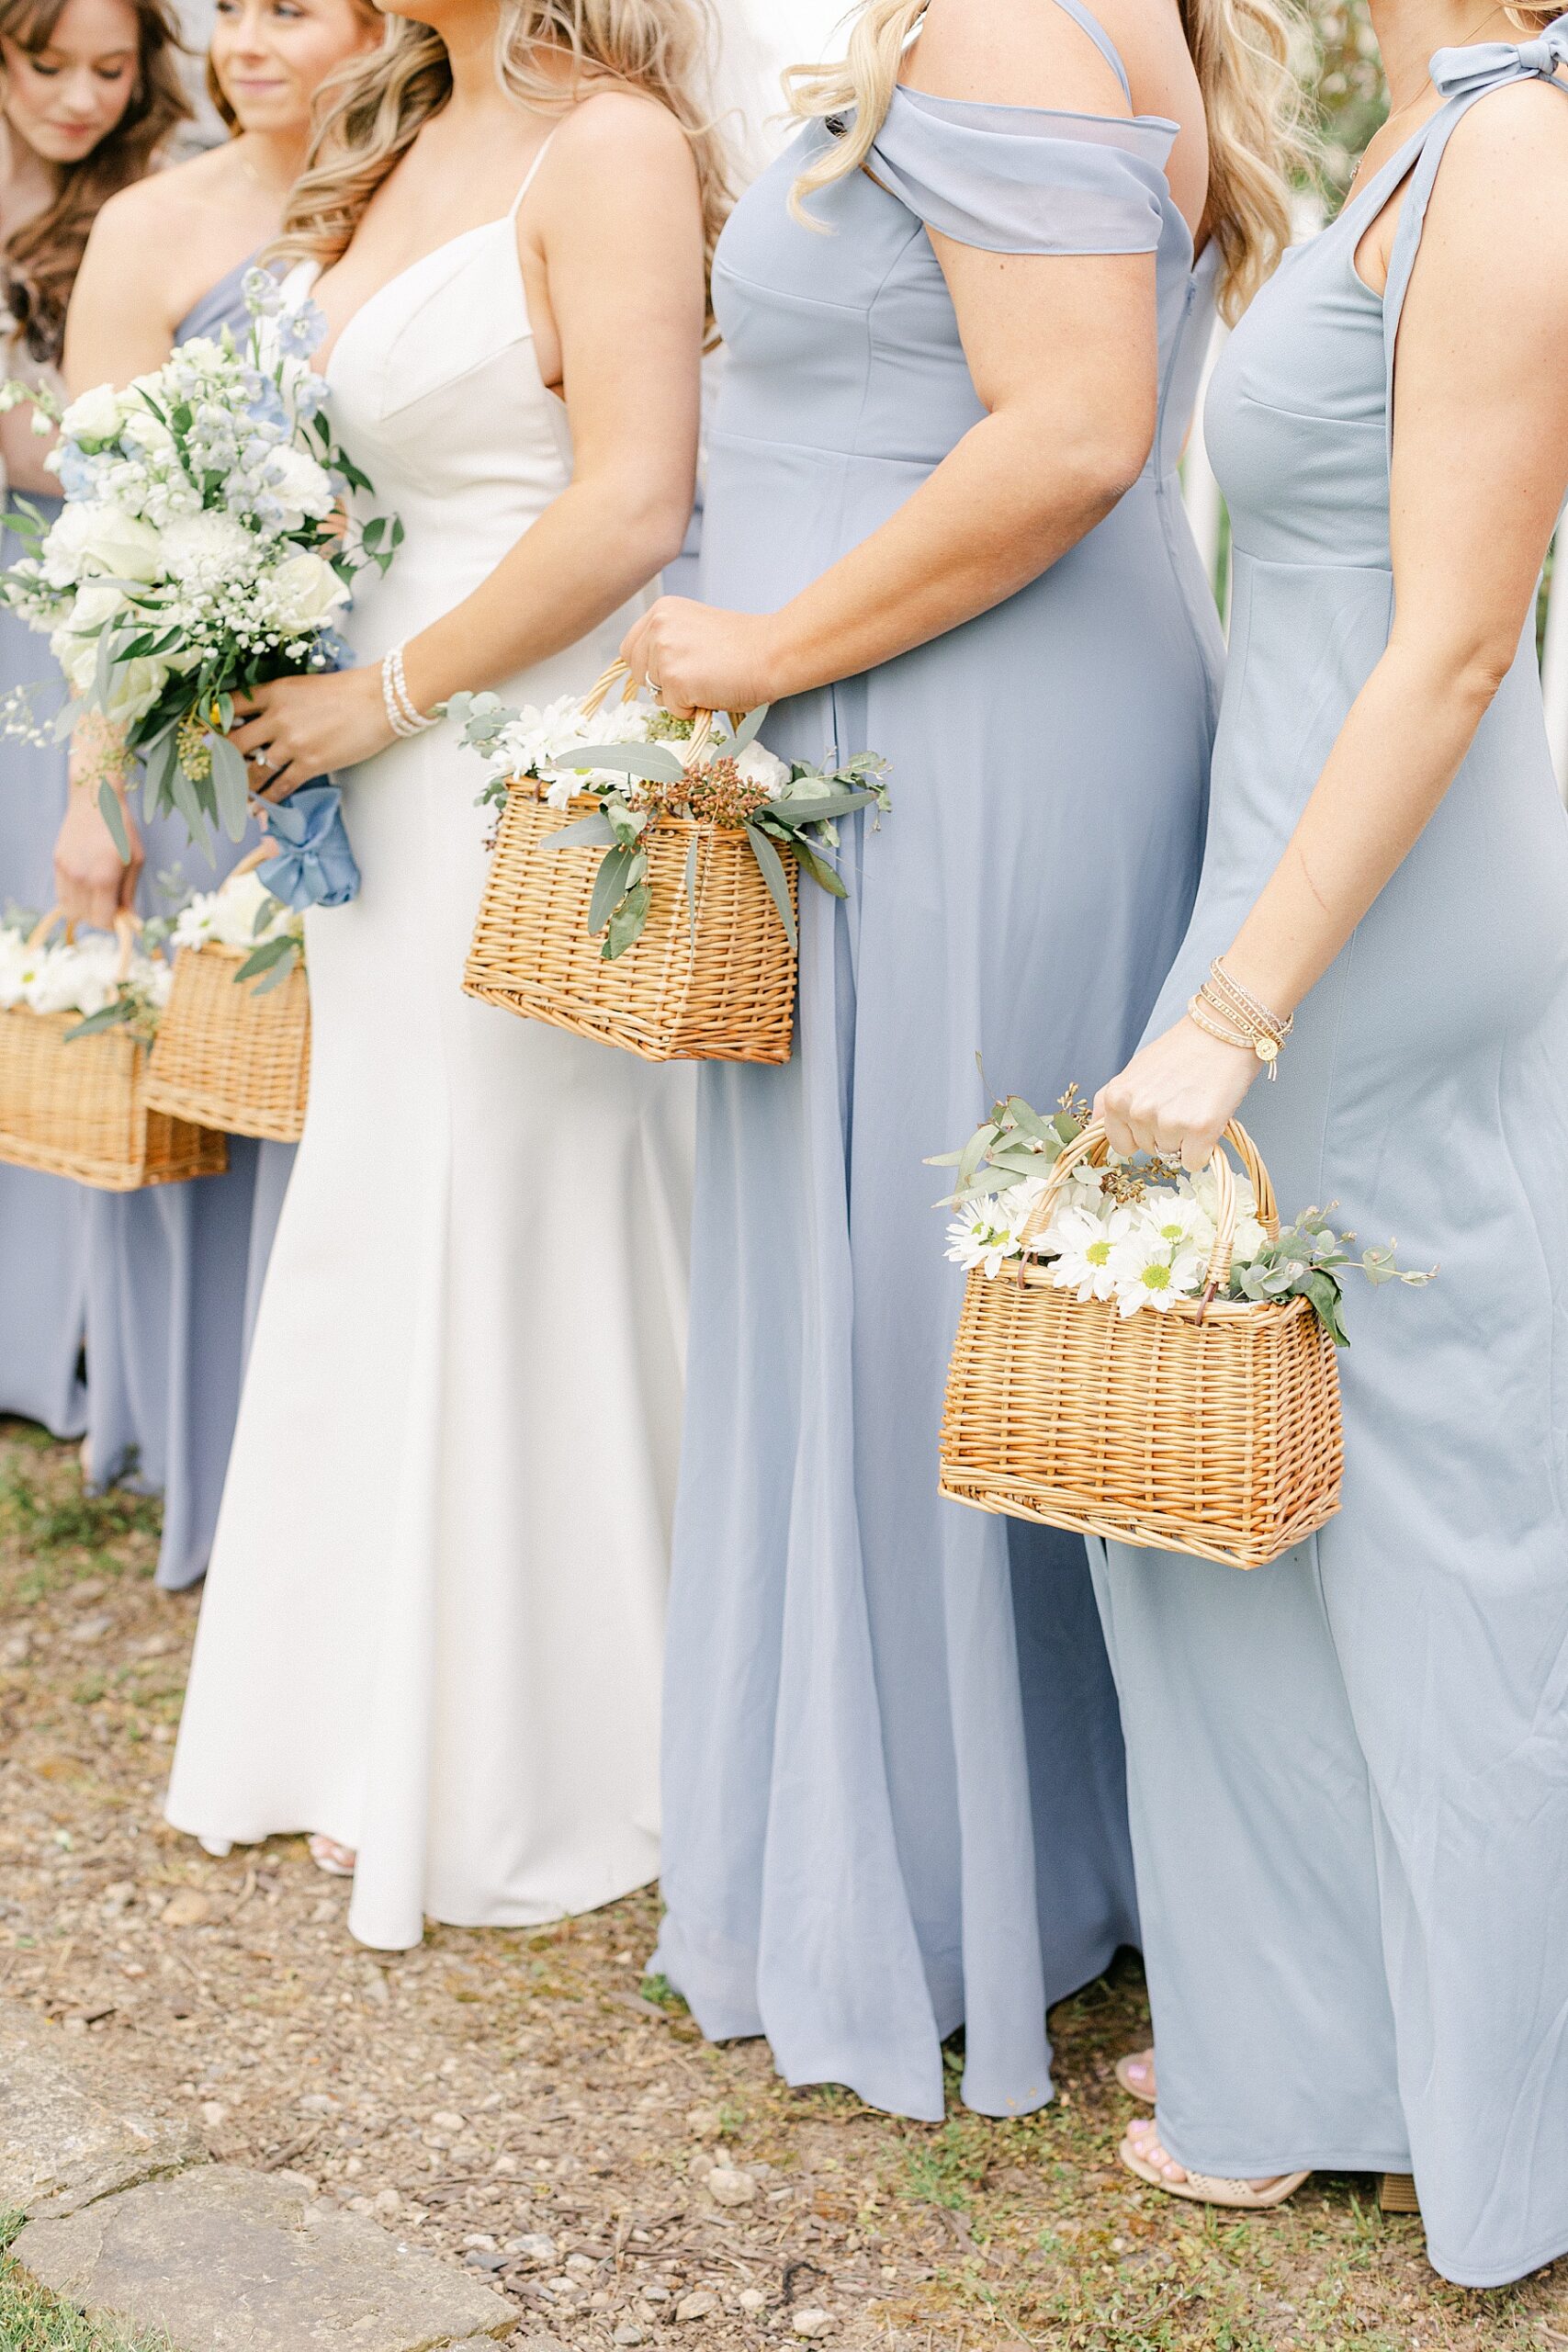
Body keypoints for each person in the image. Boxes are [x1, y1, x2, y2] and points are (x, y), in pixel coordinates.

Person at [616, 0, 1303, 2121]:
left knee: (915, 1315)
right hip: (979, 703)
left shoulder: (1010, 17)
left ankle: (929, 1885)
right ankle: (1022, 1858)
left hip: (951, 723)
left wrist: (755, 643)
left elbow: (1076, 427)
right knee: (946, 1313)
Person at [1089, 0, 1568, 2290]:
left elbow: (1456, 639)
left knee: (1407, 1501)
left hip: (1354, 919)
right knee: (1265, 1497)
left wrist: (1233, 1012)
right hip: (1296, 870)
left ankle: (1453, 2088)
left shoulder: (1510, 153)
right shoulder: (1409, 133)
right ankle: (1322, 2038)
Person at [164, 0, 722, 1952]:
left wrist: (387, 694)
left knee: (523, 1201)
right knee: (387, 1185)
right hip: (362, 772)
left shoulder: (617, 144)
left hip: (505, 754)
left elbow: (634, 500)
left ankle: (561, 1744)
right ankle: (363, 1715)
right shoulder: (400, 123)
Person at [50, 0, 380, 1591]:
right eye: (227, 8)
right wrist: (94, 796)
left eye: (291, 7)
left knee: (343, 1101)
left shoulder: (411, 189)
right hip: (197, 734)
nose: (246, 39)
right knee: (216, 1089)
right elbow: (97, 546)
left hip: (376, 707)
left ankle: (346, 1470)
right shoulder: (151, 224)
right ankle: (214, 1459)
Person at [0, 0, 187, 1438]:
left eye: (107, 70)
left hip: (58, 598)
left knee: (61, 938)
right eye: (45, 62)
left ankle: (70, 1330)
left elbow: (120, 449)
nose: (76, 97)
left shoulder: (142, 205)